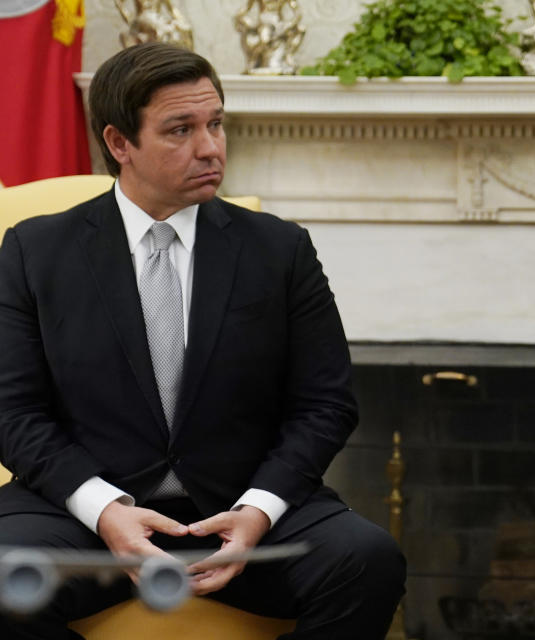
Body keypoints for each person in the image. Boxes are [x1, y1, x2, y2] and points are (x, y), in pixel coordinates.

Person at [0, 42, 404, 639]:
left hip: (244, 512)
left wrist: (258, 510)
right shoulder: (35, 251)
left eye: (216, 123)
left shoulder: (281, 250)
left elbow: (326, 404)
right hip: (86, 518)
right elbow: (14, 412)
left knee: (368, 562)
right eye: (180, 129)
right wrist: (105, 511)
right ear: (119, 144)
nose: (211, 147)